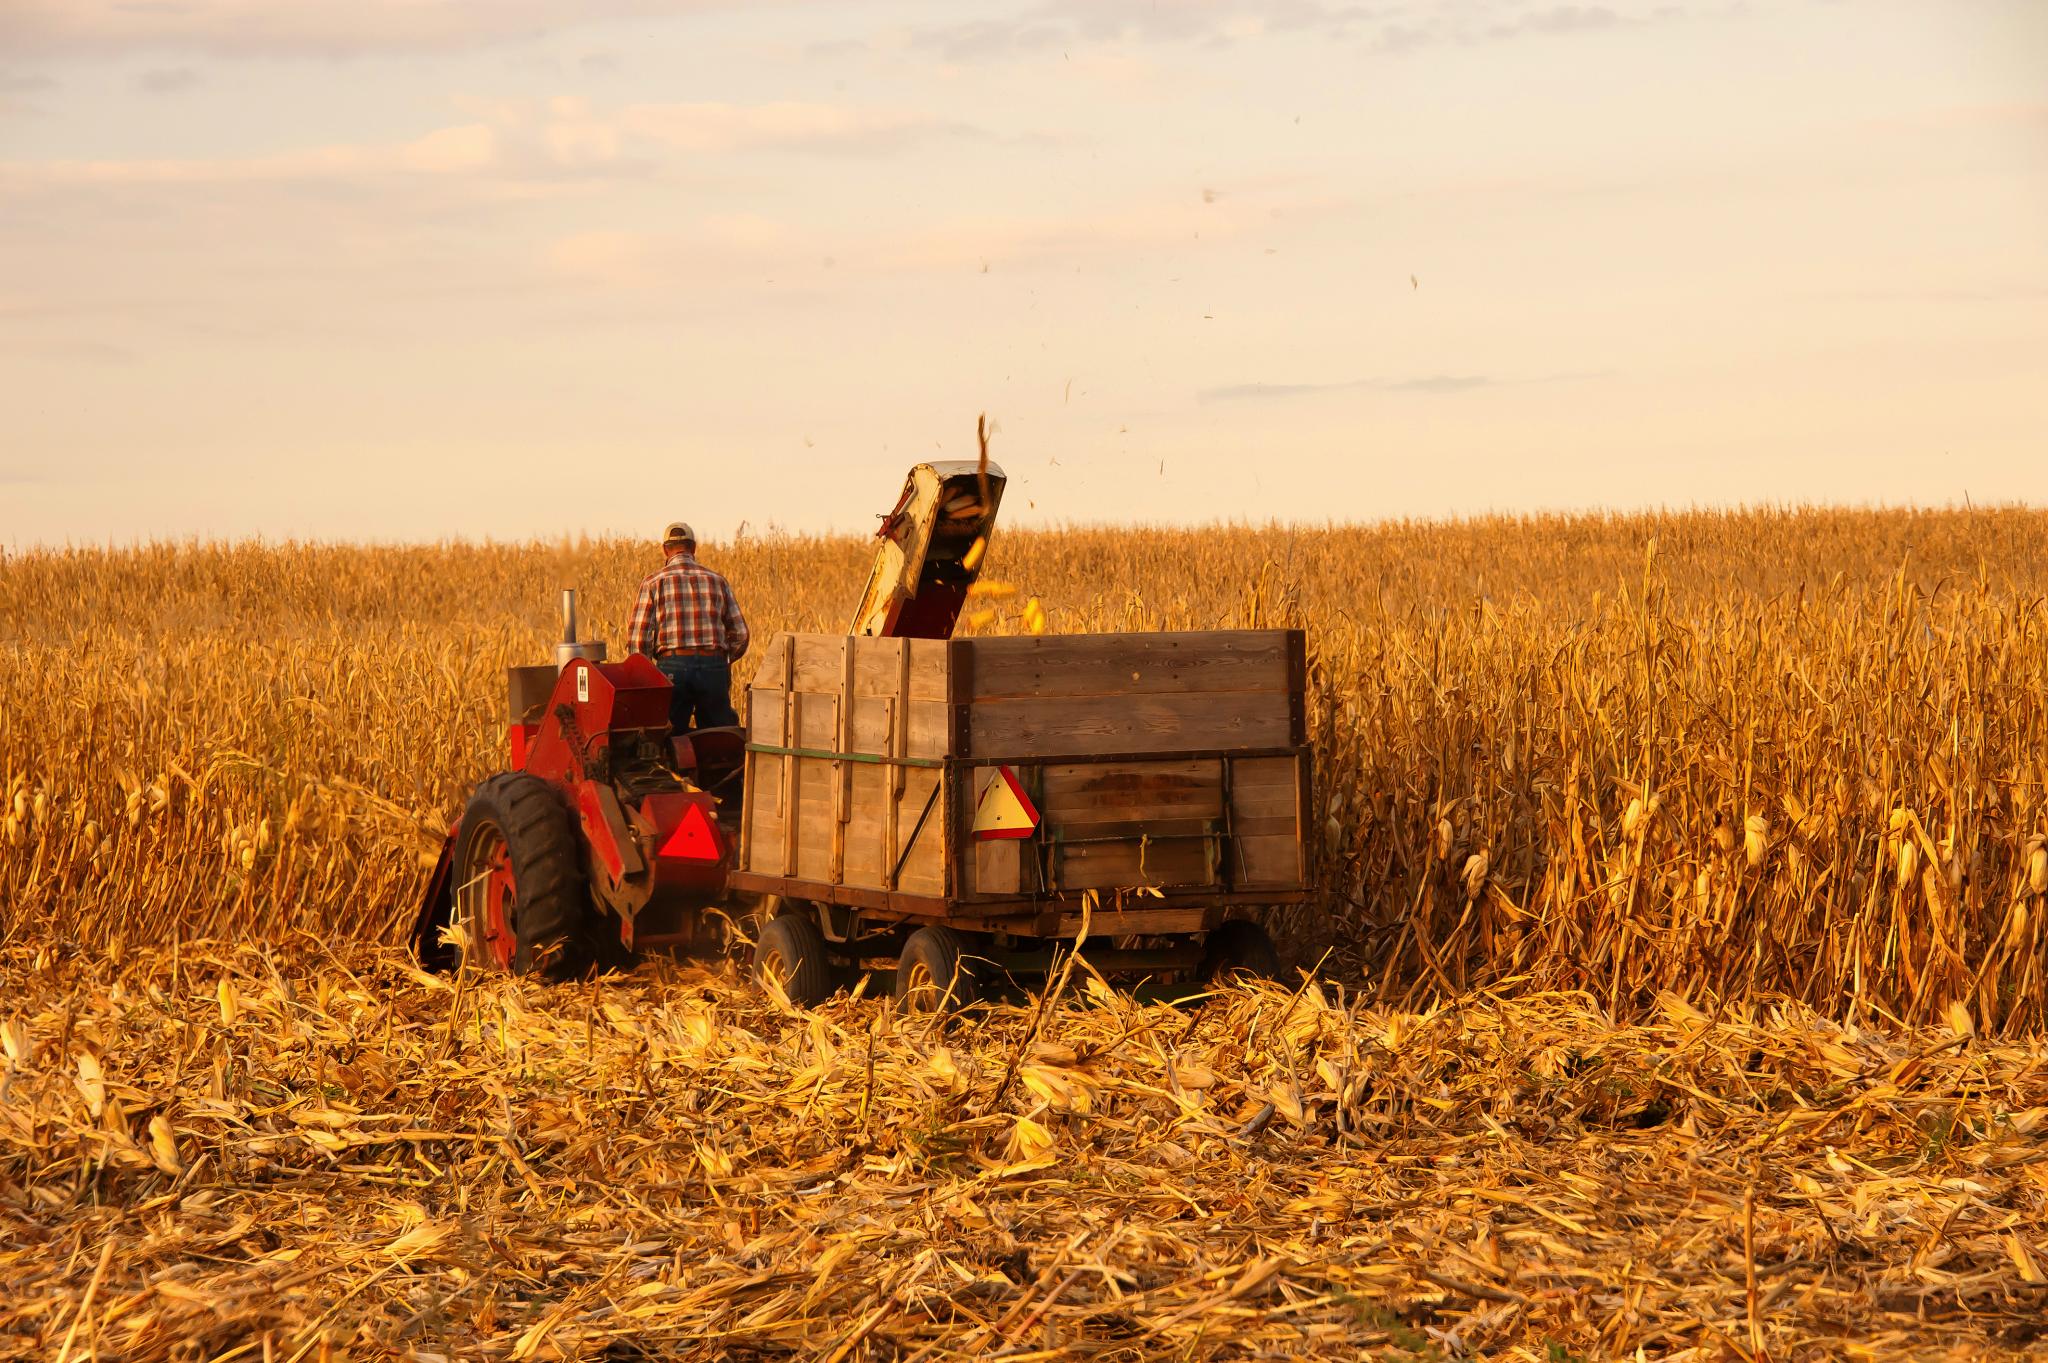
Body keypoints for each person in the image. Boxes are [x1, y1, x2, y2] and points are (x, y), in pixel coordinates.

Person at [626, 521, 749, 732]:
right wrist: (722, 660)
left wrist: (648, 677)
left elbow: (639, 641)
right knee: (719, 737)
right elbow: (740, 634)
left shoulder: (653, 583)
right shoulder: (717, 581)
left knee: (669, 737)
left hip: (673, 666)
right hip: (713, 665)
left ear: (665, 549)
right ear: (694, 547)